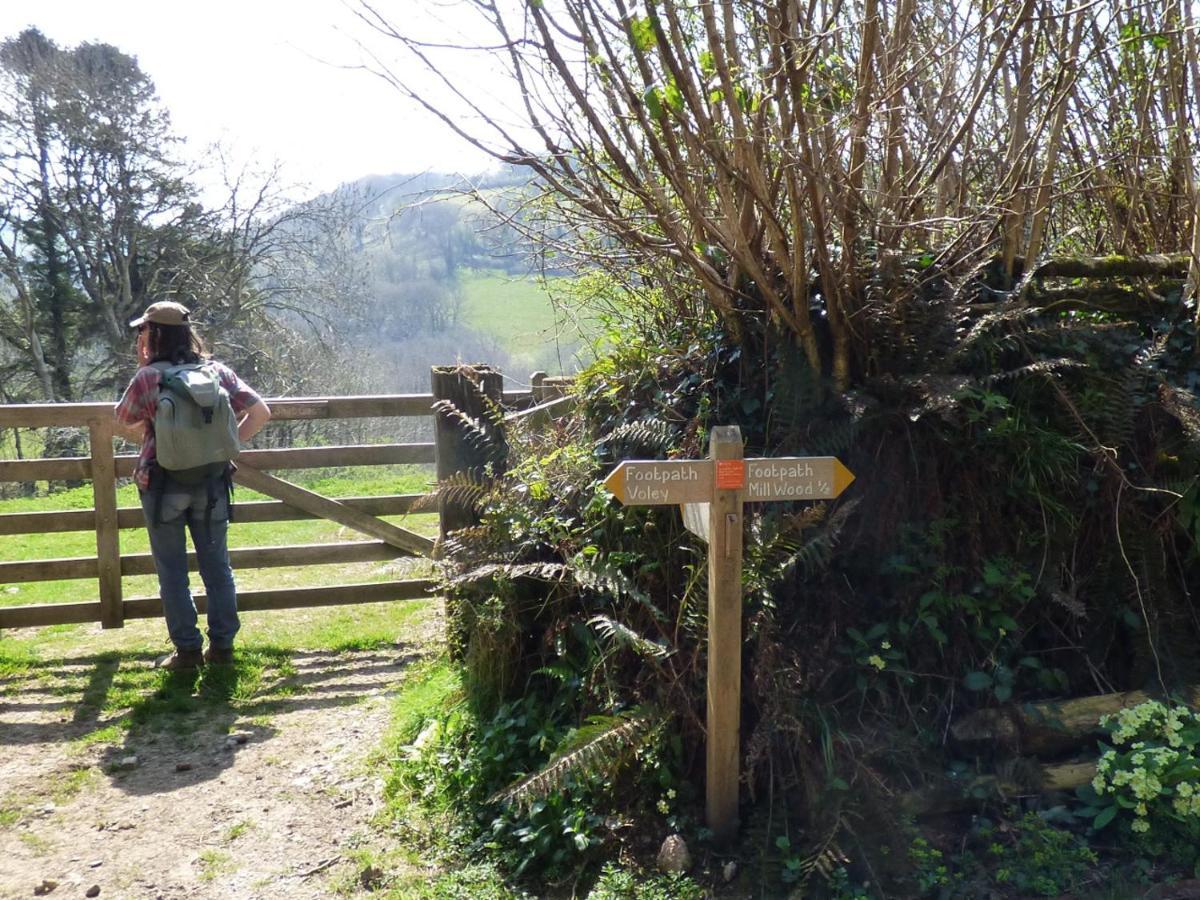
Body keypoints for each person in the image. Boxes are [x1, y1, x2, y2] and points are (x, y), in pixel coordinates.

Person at [114, 301, 271, 671]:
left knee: (172, 572)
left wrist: (144, 370)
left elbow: (122, 418)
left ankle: (186, 654)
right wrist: (226, 445)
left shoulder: (149, 378)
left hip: (161, 484)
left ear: (153, 334)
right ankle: (223, 650)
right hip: (212, 482)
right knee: (217, 569)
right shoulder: (216, 371)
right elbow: (260, 411)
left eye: (144, 331)